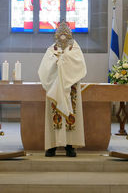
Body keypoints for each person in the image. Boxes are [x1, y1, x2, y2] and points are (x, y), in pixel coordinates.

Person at [38, 21, 87, 157]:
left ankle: (70, 146)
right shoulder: (51, 50)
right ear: (56, 36)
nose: (63, 37)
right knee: (55, 116)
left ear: (70, 35)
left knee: (70, 115)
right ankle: (52, 146)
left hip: (70, 88)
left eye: (65, 34)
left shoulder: (75, 49)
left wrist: (64, 61)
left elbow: (80, 66)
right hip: (55, 88)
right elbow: (44, 69)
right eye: (60, 34)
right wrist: (55, 62)